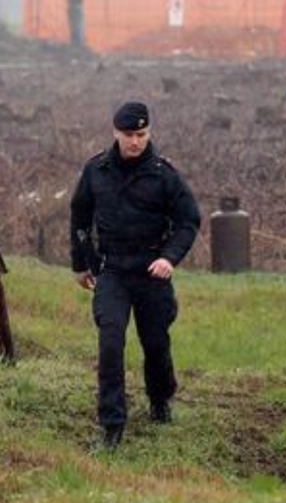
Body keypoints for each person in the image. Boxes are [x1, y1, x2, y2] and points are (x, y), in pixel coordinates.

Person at [70, 102, 201, 449]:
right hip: (112, 270)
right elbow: (79, 218)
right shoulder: (96, 170)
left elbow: (188, 221)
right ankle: (111, 425)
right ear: (116, 132)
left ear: (149, 133)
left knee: (155, 343)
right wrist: (81, 264)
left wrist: (170, 258)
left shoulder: (164, 174)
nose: (135, 142)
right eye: (129, 135)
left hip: (151, 270)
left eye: (142, 135)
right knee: (110, 343)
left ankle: (160, 401)